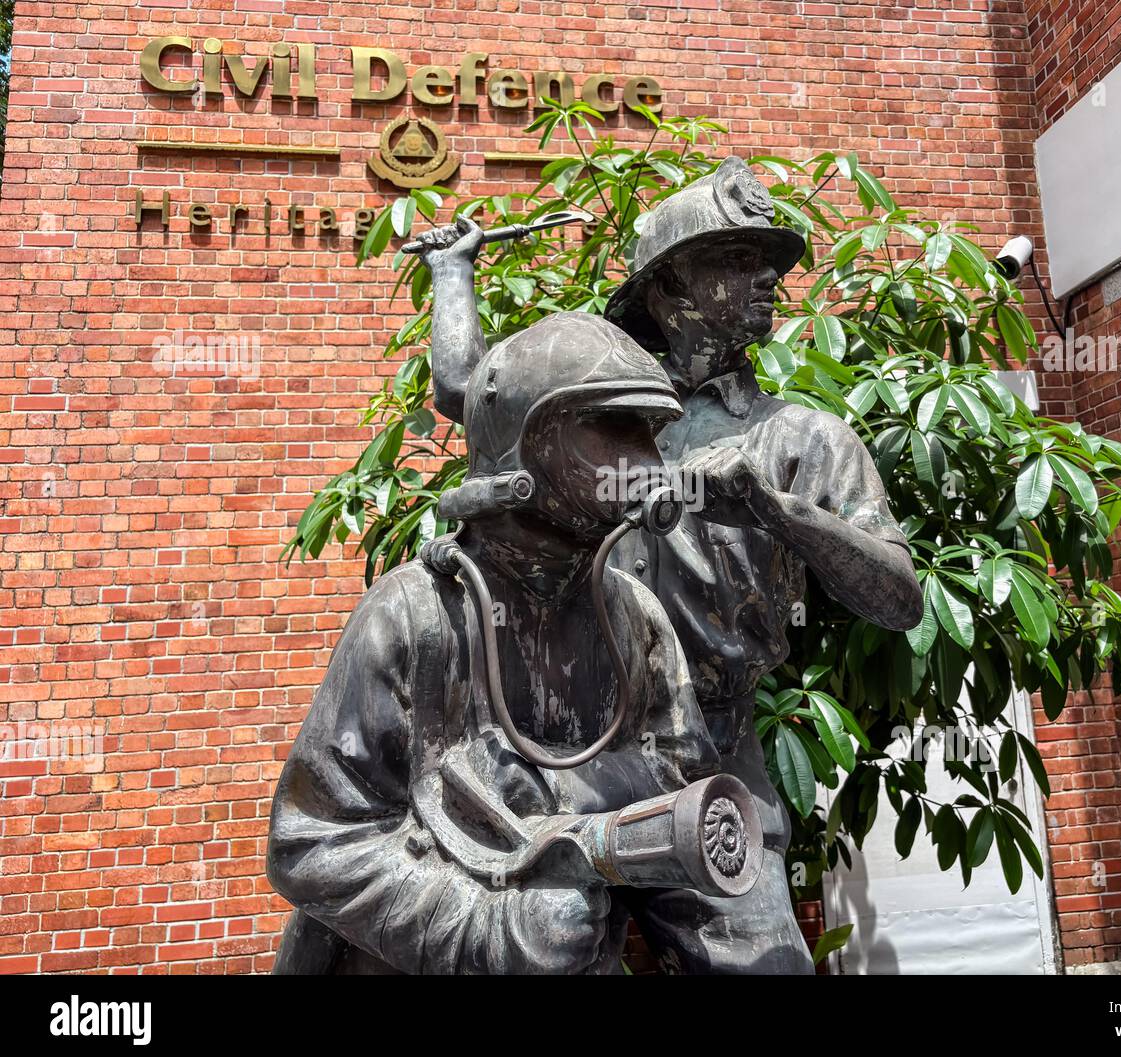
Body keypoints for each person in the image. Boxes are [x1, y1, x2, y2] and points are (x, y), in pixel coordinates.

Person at [267, 311, 722, 974]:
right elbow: (311, 843)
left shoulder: (635, 620)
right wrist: (484, 925)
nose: (650, 464)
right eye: (613, 430)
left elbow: (683, 814)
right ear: (525, 446)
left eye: (650, 435)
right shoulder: (414, 614)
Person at [600, 156, 925, 973]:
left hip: (713, 749)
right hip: (573, 744)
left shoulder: (805, 438)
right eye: (737, 260)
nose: (769, 279)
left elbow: (900, 596)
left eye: (771, 264)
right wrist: (451, 274)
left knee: (764, 964)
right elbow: (473, 395)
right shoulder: (596, 417)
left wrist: (787, 515)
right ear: (669, 294)